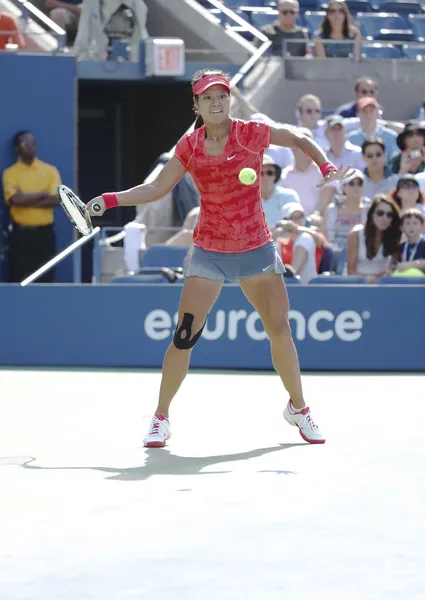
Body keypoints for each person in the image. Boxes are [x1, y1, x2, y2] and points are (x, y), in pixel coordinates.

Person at [86, 69, 353, 447]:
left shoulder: (251, 132)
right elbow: (157, 187)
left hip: (256, 248)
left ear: (230, 100)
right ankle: (160, 418)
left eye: (222, 96)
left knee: (279, 329)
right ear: (196, 104)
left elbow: (299, 137)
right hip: (210, 250)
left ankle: (299, 408)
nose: (216, 102)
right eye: (208, 97)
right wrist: (109, 200)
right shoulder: (189, 146)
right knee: (183, 335)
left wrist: (326, 166)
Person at [2, 131, 61, 283]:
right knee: (20, 278)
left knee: (46, 278)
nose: (30, 147)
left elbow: (57, 198)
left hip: (45, 235)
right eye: (25, 144)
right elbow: (14, 199)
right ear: (17, 148)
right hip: (21, 236)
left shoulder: (50, 170)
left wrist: (26, 200)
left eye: (33, 143)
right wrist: (42, 195)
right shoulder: (11, 173)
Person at [347, 194, 401, 283]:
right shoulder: (356, 234)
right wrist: (371, 279)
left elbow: (393, 269)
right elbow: (351, 272)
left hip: (382, 286)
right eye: (380, 213)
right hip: (357, 284)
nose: (385, 218)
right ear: (371, 214)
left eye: (390, 214)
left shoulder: (394, 236)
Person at [324, 169, 370, 250]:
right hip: (335, 250)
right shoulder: (332, 209)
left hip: (361, 249)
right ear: (343, 187)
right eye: (351, 183)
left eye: (360, 183)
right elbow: (328, 236)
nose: (356, 187)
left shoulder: (368, 209)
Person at [347, 97, 398, 162]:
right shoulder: (351, 138)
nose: (368, 115)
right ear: (358, 114)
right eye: (365, 111)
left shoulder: (391, 136)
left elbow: (394, 160)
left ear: (377, 112)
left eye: (371, 111)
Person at [261, 155, 300, 230]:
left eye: (269, 173)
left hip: (286, 240)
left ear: (275, 175)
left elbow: (298, 223)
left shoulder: (289, 196)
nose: (265, 177)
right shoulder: (249, 201)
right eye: (260, 173)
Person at [394, 208, 425, 273]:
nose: (411, 226)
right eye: (407, 223)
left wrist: (409, 264)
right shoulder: (400, 247)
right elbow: (395, 265)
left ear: (422, 226)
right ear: (402, 228)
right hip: (406, 280)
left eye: (415, 223)